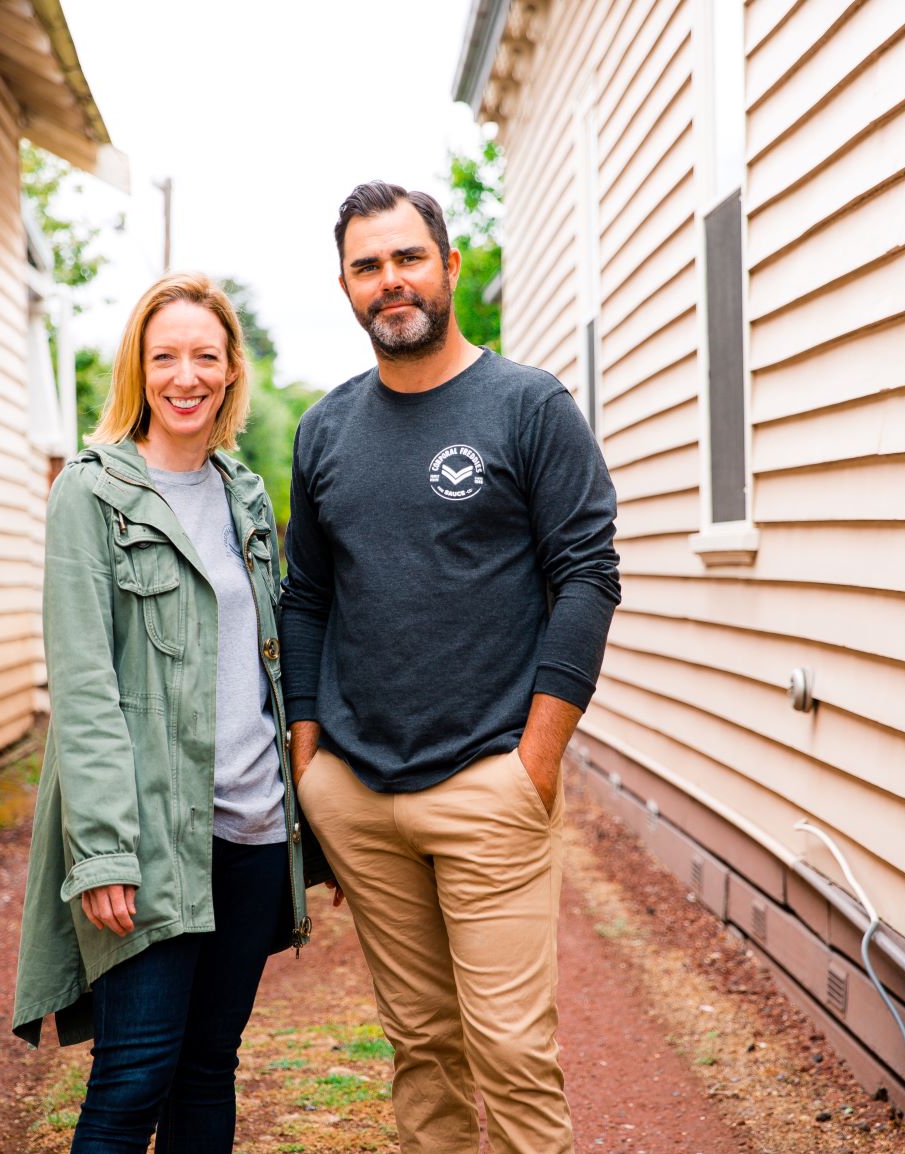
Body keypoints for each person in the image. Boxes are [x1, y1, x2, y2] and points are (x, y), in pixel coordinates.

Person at [280, 182, 621, 1154]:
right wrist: (312, 767)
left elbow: (588, 576)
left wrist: (536, 763)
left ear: (449, 266)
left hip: (488, 785)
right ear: (345, 284)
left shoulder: (528, 406)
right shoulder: (324, 430)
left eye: (406, 258)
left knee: (511, 1050)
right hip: (358, 793)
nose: (390, 281)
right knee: (421, 1045)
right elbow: (307, 595)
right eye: (366, 265)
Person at [12, 273, 311, 1154]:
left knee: (209, 1067)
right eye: (166, 356)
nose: (186, 375)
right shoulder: (91, 493)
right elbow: (84, 685)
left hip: (252, 831)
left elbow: (269, 667)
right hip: (150, 839)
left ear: (229, 375)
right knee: (135, 1072)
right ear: (139, 371)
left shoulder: (246, 496)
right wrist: (102, 848)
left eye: (205, 357)